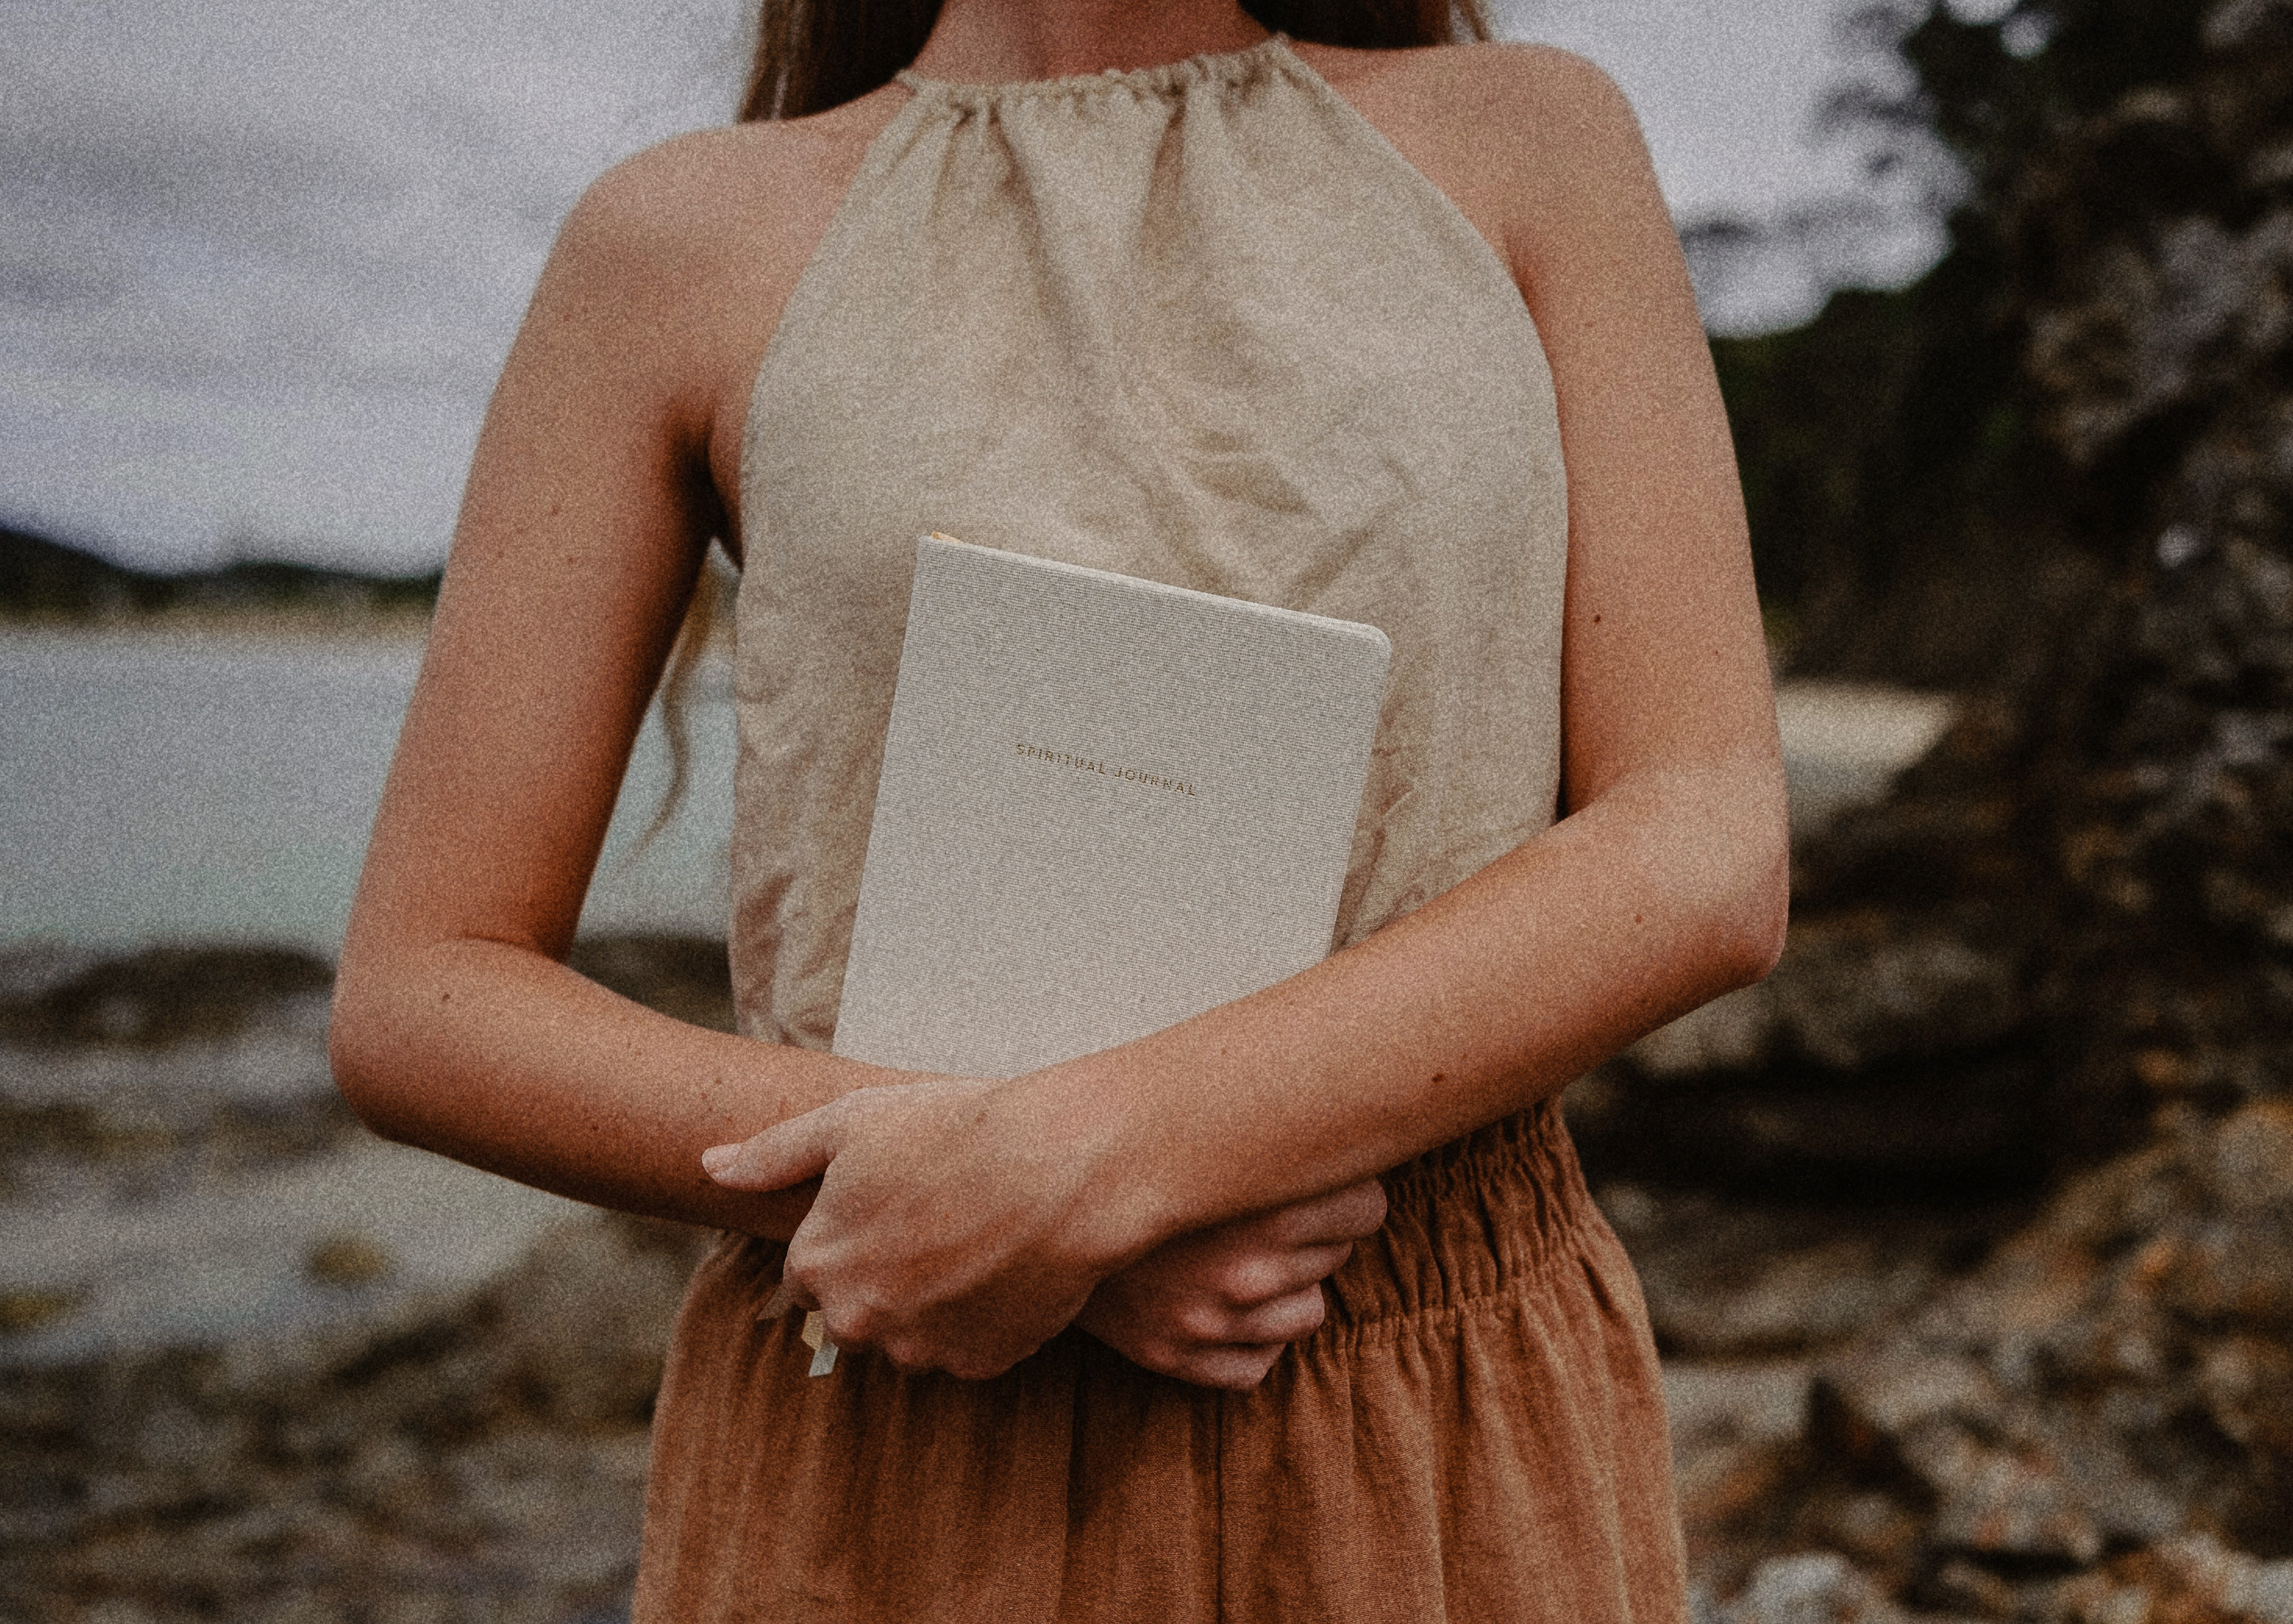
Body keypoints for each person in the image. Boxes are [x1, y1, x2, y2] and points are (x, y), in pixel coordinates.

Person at [330, 0, 1787, 1618]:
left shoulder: (1531, 141)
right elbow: (422, 989)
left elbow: (1704, 839)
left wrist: (1088, 1169)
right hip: (898, 1382)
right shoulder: (675, 239)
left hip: (1422, 1386)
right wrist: (950, 1196)